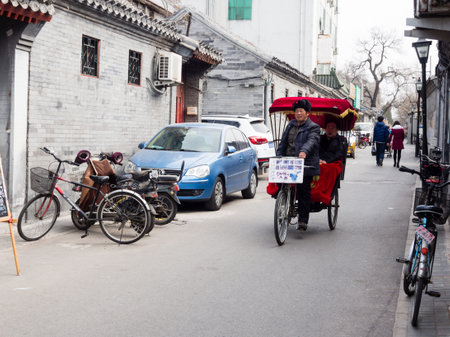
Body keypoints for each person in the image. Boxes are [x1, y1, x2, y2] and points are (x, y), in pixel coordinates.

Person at [276, 99, 320, 231]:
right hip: (288, 161)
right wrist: (278, 157)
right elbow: (283, 143)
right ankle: (284, 203)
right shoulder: (290, 125)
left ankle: (302, 220)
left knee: (303, 190)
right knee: (280, 184)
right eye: (296, 111)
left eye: (301, 111)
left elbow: (311, 141)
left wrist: (304, 151)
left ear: (307, 113)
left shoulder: (313, 127)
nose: (298, 113)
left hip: (304, 163)